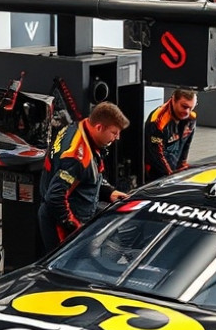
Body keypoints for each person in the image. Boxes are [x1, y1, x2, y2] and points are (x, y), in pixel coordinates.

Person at [39, 102, 130, 252]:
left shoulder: (80, 128)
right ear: (99, 127)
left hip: (77, 209)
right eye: (114, 132)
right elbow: (55, 197)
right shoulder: (76, 156)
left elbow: (86, 176)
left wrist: (109, 192)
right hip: (61, 223)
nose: (117, 137)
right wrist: (75, 228)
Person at [144, 88, 197, 184]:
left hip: (174, 170)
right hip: (155, 175)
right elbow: (156, 156)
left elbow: (186, 144)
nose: (187, 112)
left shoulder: (191, 118)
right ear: (173, 100)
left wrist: (182, 166)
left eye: (191, 108)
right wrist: (171, 176)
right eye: (184, 106)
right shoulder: (158, 122)